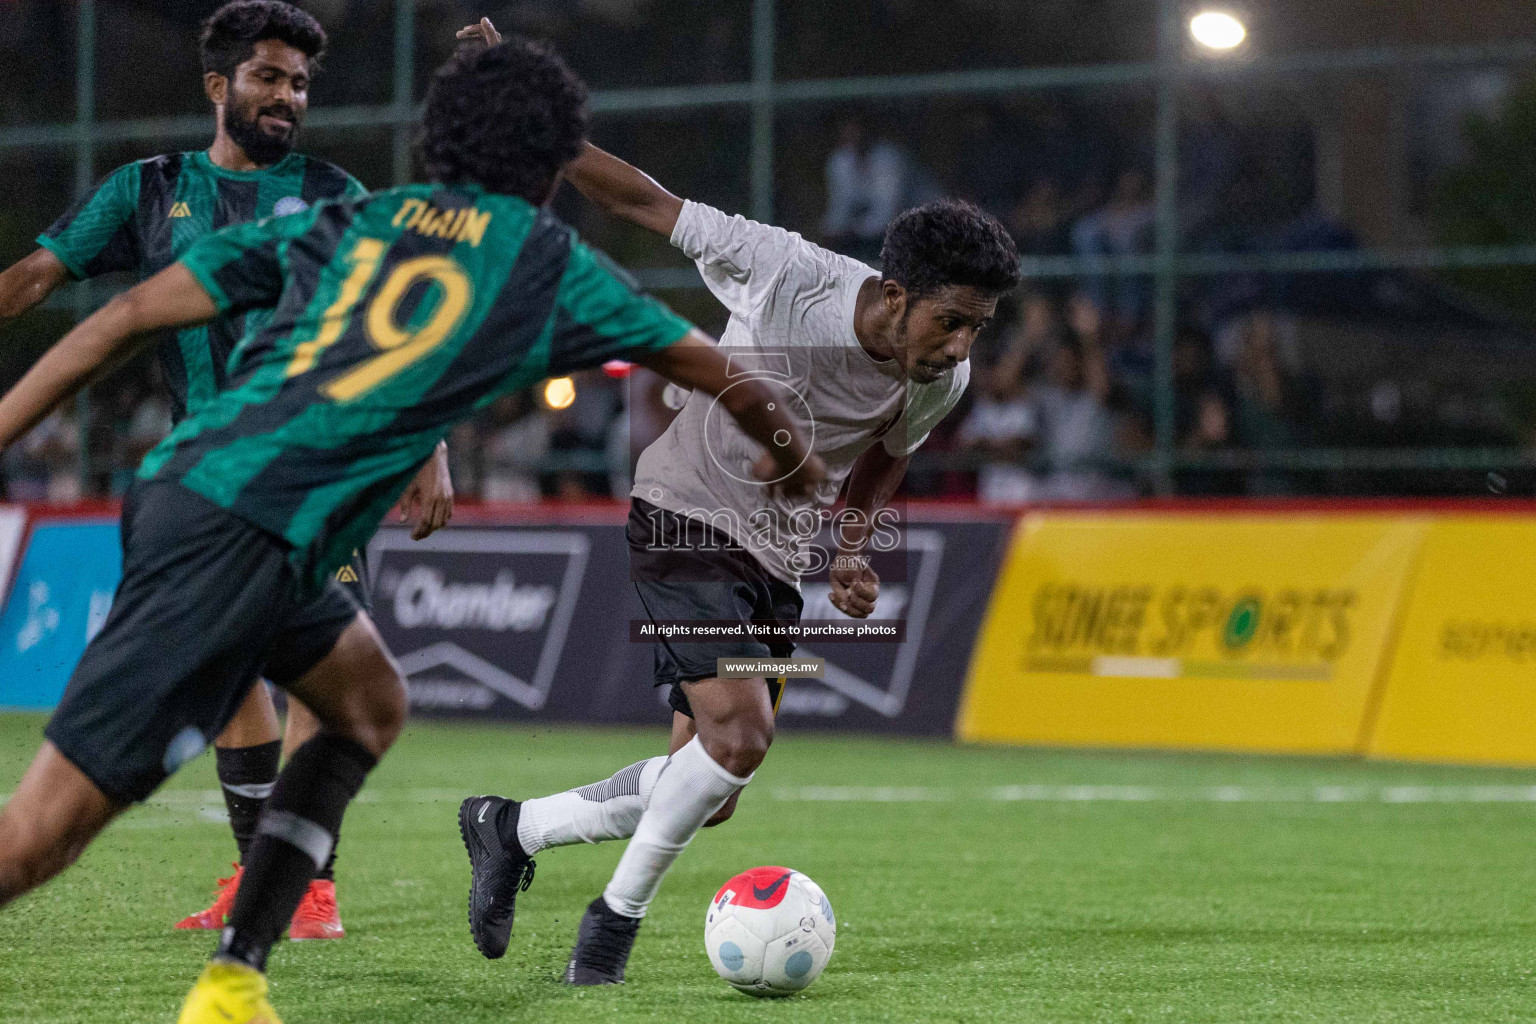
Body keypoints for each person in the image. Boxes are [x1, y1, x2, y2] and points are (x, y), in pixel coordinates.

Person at [0, 35, 823, 1024]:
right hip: (237, 531)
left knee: (367, 701)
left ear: (440, 138)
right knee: (38, 838)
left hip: (206, 498)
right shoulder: (551, 262)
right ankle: (231, 981)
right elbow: (721, 372)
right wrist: (801, 464)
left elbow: (128, 313)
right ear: (554, 158)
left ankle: (232, 981)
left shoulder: (358, 216)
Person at [450, 15, 1020, 986]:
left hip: (776, 556)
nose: (962, 346)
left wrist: (851, 548)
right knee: (742, 733)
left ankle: (510, 826)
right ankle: (610, 930)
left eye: (979, 328)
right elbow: (643, 198)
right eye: (952, 320)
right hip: (684, 515)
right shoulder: (787, 268)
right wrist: (523, 111)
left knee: (710, 787)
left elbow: (889, 454)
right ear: (893, 293)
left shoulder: (940, 379)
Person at [0, 0, 456, 940]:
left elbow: (405, 321)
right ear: (220, 88)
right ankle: (264, 873)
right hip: (203, 491)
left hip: (314, 481)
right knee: (235, 680)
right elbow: (39, 278)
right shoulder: (148, 189)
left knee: (332, 686)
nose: (287, 96)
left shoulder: (334, 193)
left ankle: (309, 886)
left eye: (297, 82)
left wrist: (431, 446)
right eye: (268, 78)